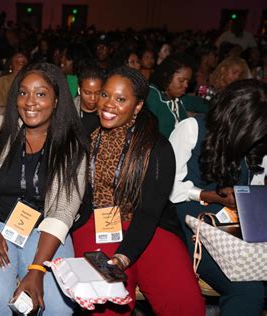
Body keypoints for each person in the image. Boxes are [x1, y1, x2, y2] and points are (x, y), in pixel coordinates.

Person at [0, 62, 88, 315]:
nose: (30, 102)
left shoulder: (71, 146)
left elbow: (63, 211)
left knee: (58, 306)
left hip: (44, 230)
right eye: (23, 92)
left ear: (57, 99)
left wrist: (37, 270)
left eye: (41, 94)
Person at [71, 67, 205, 315]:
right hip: (97, 223)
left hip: (149, 226)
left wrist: (124, 256)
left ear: (138, 105)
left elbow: (150, 212)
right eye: (105, 95)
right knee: (108, 306)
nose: (108, 105)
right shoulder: (85, 135)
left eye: (121, 99)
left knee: (186, 306)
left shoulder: (157, 147)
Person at [169, 79, 267, 316]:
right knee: (248, 290)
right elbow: (167, 188)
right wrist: (209, 195)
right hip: (191, 223)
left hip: (235, 226)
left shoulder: (257, 142)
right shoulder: (192, 129)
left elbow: (256, 189)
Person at [146, 54, 208, 138]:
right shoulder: (152, 96)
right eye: (181, 80)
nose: (186, 85)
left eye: (187, 82)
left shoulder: (178, 98)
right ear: (166, 76)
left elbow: (203, 104)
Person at [74, 62, 104, 136]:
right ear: (79, 89)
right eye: (87, 93)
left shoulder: (107, 112)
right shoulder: (69, 111)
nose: (93, 98)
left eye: (97, 93)